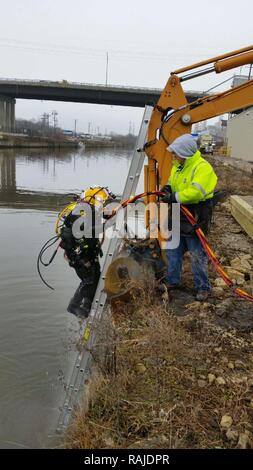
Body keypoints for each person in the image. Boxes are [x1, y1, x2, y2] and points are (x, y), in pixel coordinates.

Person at [161, 133, 218, 301]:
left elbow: (195, 193)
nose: (173, 156)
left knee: (196, 255)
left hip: (196, 216)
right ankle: (173, 281)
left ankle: (203, 287)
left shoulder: (202, 167)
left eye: (175, 153)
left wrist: (173, 197)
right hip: (178, 215)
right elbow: (172, 182)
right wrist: (167, 188)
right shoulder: (178, 166)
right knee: (173, 251)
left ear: (184, 152)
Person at [59, 186, 114, 317]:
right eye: (103, 202)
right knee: (89, 280)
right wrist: (109, 224)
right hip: (80, 257)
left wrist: (112, 214)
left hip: (84, 255)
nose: (103, 205)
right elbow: (90, 229)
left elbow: (97, 217)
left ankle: (87, 305)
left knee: (95, 279)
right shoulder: (83, 213)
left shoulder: (85, 210)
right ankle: (76, 307)